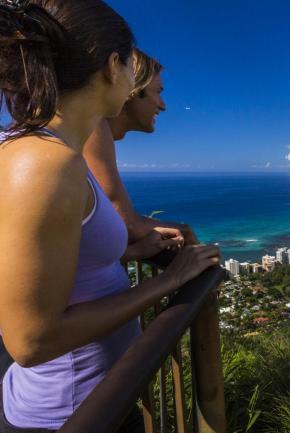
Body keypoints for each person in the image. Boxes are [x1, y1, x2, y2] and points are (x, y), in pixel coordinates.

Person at [0, 1, 220, 431]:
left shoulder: (43, 150)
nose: (154, 97)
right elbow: (32, 341)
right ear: (111, 66)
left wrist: (130, 250)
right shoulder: (42, 163)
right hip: (69, 413)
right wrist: (171, 280)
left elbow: (53, 260)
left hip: (86, 397)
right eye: (129, 68)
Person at [83, 49, 200, 245]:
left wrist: (133, 252)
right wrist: (184, 231)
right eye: (158, 92)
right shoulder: (94, 126)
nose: (163, 106)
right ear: (133, 90)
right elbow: (126, 223)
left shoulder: (94, 129)